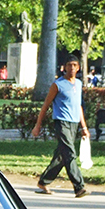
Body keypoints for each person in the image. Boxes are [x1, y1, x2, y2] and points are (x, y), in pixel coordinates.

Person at [32, 54, 90, 198]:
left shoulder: (78, 84)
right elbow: (45, 106)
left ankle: (43, 182)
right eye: (69, 65)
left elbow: (79, 106)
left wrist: (84, 127)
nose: (72, 68)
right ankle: (79, 187)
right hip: (61, 122)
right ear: (64, 67)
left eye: (75, 65)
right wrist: (37, 125)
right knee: (70, 153)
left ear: (79, 68)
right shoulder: (57, 85)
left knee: (61, 156)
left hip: (74, 123)